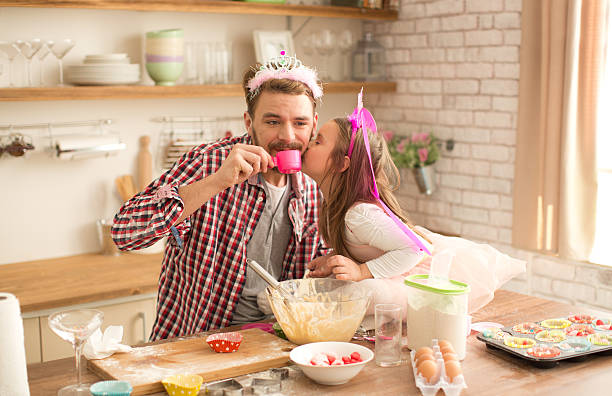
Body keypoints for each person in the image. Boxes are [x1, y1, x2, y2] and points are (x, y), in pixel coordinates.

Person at [111, 53, 330, 341]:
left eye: (299, 123)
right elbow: (124, 233)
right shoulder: (210, 163)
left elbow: (316, 277)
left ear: (314, 125)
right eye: (273, 121)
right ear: (249, 122)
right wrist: (216, 183)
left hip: (279, 341)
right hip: (198, 344)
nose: (287, 136)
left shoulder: (315, 185)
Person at [301, 90, 525, 317]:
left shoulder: (359, 214)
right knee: (344, 285)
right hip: (399, 266)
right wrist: (335, 260)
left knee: (364, 290)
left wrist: (361, 270)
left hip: (422, 270)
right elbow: (368, 248)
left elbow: (414, 249)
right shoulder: (332, 204)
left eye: (318, 141)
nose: (308, 144)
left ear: (341, 164)